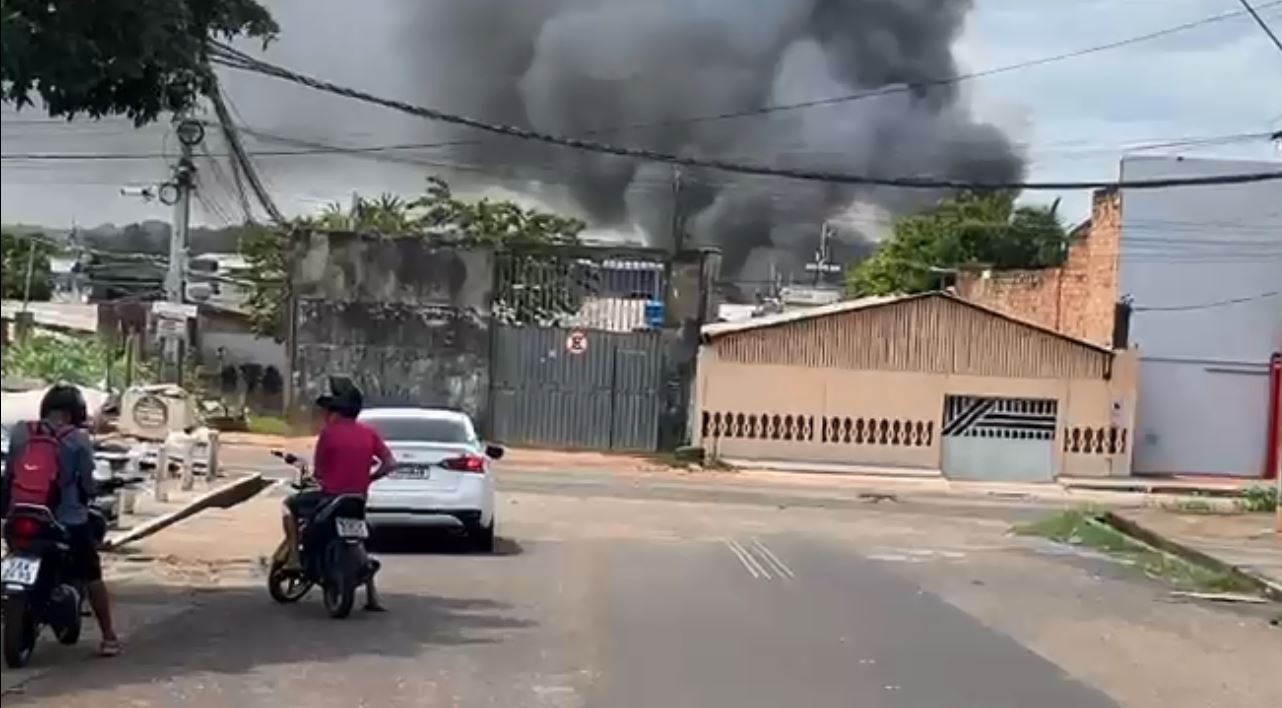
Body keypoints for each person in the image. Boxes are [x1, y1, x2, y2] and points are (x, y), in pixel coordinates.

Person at [1, 385, 120, 657]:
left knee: (14, 552)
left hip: (20, 514)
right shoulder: (78, 439)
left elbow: (9, 474)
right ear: (76, 413)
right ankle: (109, 636)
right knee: (92, 572)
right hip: (66, 519)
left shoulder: (22, 431)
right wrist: (91, 493)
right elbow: (88, 484)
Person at [278, 377, 395, 611]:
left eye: (329, 409)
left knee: (288, 505)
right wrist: (369, 478)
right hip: (358, 500)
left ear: (336, 412)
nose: (325, 414)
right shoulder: (369, 434)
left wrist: (321, 477)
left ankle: (293, 557)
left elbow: (319, 472)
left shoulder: (329, 434)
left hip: (330, 497)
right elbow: (390, 464)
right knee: (358, 541)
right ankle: (372, 598)